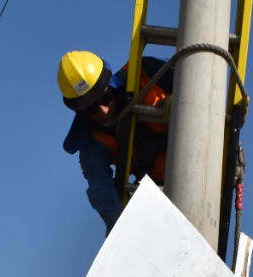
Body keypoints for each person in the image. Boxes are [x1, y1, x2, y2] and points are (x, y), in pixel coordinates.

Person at [57, 50, 174, 230]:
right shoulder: (91, 140)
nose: (104, 111)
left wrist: (183, 101)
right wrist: (122, 230)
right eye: (91, 109)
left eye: (105, 98)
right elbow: (100, 187)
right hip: (161, 191)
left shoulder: (145, 74)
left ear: (111, 84)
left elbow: (200, 84)